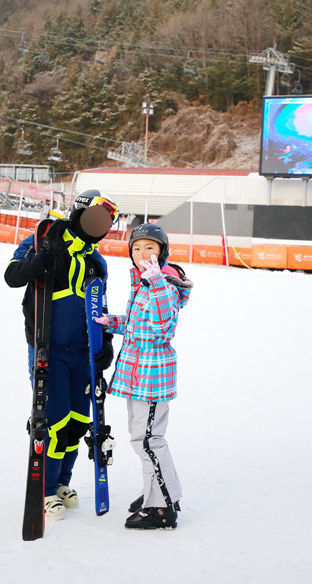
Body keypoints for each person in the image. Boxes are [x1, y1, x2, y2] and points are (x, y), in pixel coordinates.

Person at [4, 189, 119, 521]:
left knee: (77, 423)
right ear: (79, 213)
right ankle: (45, 488)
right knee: (53, 423)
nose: (100, 227)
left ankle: (62, 483)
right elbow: (12, 276)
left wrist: (106, 343)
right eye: (96, 218)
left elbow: (101, 308)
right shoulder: (44, 238)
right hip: (48, 350)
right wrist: (40, 262)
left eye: (106, 223)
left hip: (83, 353)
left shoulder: (97, 261)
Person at [95, 223, 193, 530]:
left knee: (148, 441)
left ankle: (161, 508)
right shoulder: (143, 285)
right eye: (136, 249)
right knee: (146, 439)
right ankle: (164, 493)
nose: (142, 254)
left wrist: (156, 282)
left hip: (151, 376)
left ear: (162, 252)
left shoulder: (164, 285)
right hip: (136, 374)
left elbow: (165, 327)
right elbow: (140, 326)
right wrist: (110, 321)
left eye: (149, 248)